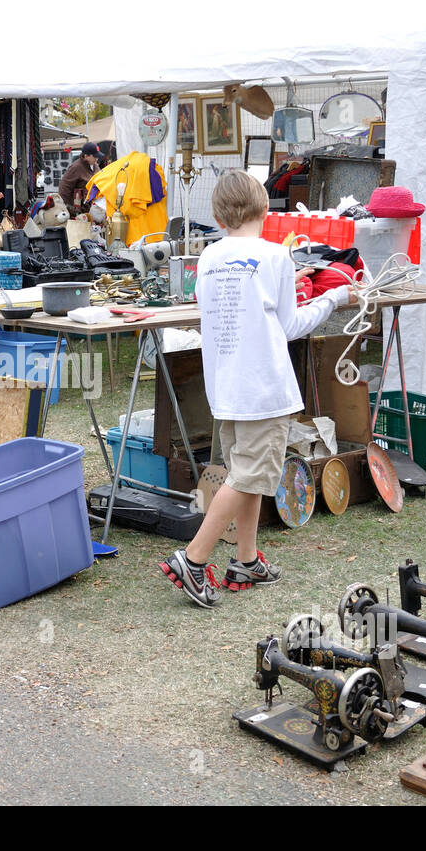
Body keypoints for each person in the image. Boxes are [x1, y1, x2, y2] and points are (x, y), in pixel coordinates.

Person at [157, 170, 356, 607]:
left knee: (243, 475)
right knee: (249, 476)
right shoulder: (275, 257)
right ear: (266, 209)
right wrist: (334, 298)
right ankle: (193, 558)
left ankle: (245, 560)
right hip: (264, 387)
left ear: (216, 214)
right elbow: (290, 326)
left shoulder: (207, 258)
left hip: (226, 386)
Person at [56, 141, 102, 213]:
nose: (97, 158)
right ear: (86, 156)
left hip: (94, 207)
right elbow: (64, 188)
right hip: (79, 211)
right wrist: (70, 209)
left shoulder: (95, 166)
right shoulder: (76, 167)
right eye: (94, 156)